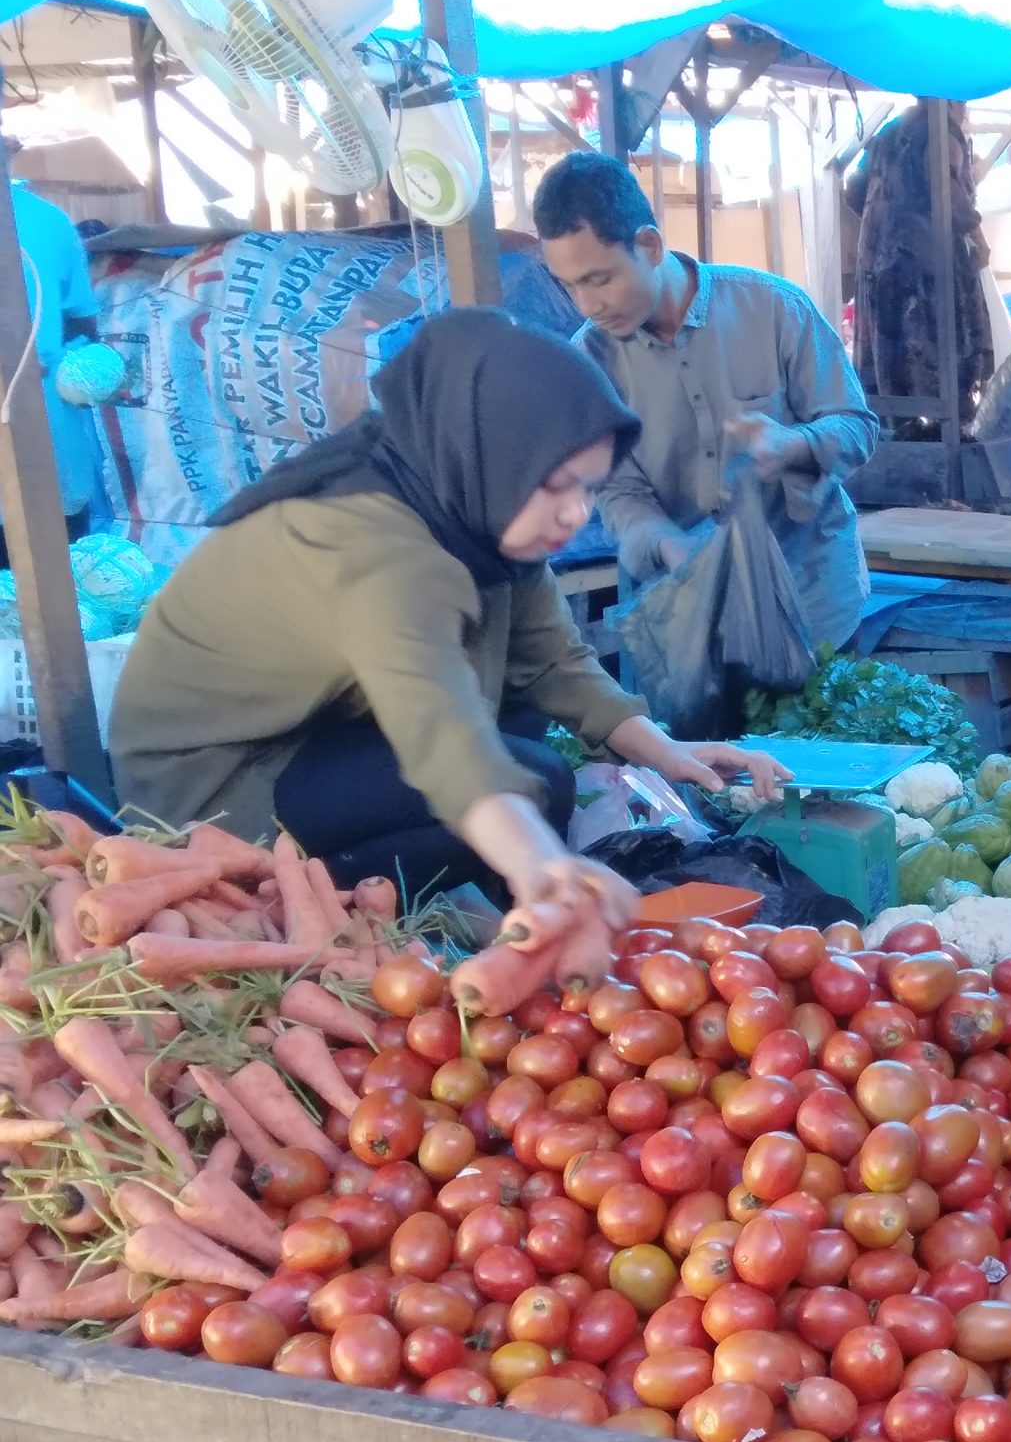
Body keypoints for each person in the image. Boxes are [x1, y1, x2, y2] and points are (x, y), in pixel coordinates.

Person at [109, 311, 786, 907]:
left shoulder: (473, 505)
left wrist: (666, 753)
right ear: (489, 452)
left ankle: (443, 898)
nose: (577, 514)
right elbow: (438, 727)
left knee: (522, 739)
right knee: (533, 781)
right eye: (555, 486)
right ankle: (293, 900)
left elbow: (555, 662)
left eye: (589, 488)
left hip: (317, 726)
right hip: (213, 781)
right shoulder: (373, 544)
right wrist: (543, 870)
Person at [533, 153, 881, 655]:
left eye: (599, 279)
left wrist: (795, 446)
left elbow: (857, 426)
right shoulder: (588, 360)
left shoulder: (775, 308)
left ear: (650, 245)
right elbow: (617, 490)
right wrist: (669, 545)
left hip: (813, 600)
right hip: (686, 618)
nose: (587, 306)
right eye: (569, 286)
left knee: (825, 729)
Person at [2, 172, 100, 561]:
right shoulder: (48, 219)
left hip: (47, 449)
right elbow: (84, 327)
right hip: (51, 451)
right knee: (63, 596)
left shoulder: (46, 220)